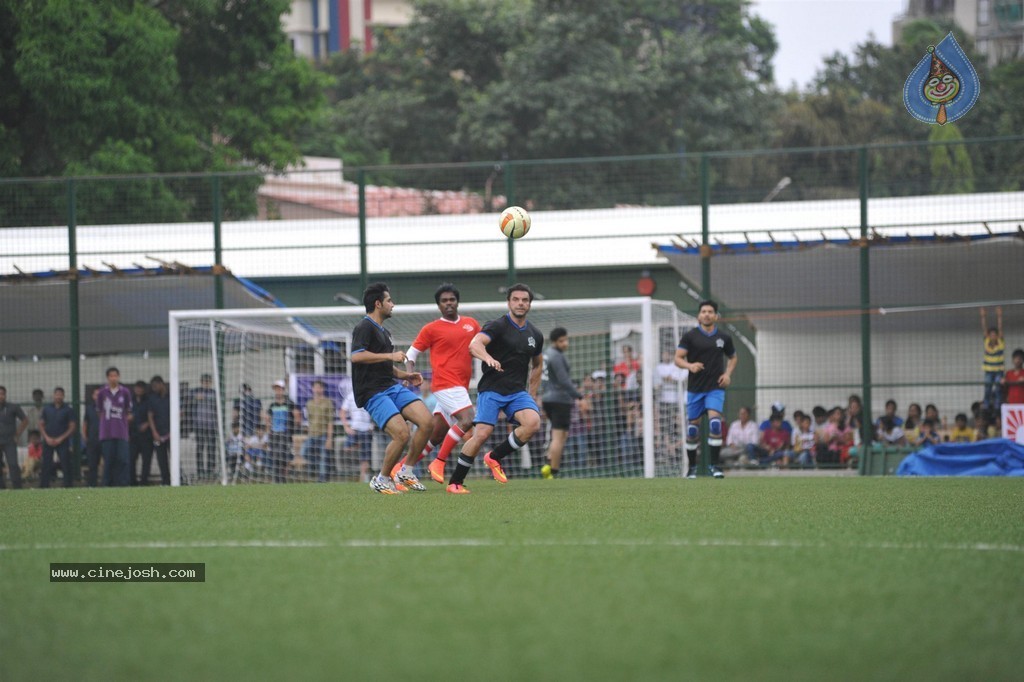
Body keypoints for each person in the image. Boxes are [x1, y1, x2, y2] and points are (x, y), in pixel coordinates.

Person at [446, 283, 545, 494]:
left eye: (525, 300)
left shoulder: (535, 335)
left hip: (517, 392)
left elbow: (537, 364)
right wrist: (488, 358)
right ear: (509, 302)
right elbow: (474, 345)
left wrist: (532, 394)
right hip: (492, 389)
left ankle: (494, 457)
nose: (520, 303)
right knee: (481, 434)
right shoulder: (497, 326)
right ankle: (455, 482)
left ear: (529, 304)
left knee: (533, 423)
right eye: (516, 299)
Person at [351, 282, 433, 495]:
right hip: (372, 392)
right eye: (389, 300)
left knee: (426, 422)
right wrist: (390, 356)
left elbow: (385, 366)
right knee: (402, 434)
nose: (393, 304)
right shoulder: (364, 327)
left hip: (390, 386)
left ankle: (406, 471)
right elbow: (356, 356)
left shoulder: (384, 332)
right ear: (378, 304)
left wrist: (406, 375)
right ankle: (381, 479)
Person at [399, 282, 481, 484]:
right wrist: (409, 374)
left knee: (435, 436)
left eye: (452, 299)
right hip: (445, 384)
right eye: (444, 301)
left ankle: (399, 468)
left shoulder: (471, 324)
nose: (449, 303)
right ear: (439, 305)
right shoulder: (431, 329)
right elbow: (411, 354)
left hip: (460, 386)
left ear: (457, 302)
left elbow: (484, 345)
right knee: (467, 419)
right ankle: (439, 462)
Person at [674, 301, 737, 479]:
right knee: (692, 430)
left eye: (710, 312)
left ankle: (714, 466)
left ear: (716, 316)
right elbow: (677, 359)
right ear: (699, 316)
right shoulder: (690, 336)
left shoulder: (724, 337)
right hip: (695, 389)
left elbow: (733, 358)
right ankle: (692, 467)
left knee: (715, 423)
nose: (707, 314)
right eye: (704, 311)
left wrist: (728, 374)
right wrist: (690, 365)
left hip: (715, 388)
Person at [541, 327, 589, 479]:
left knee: (561, 435)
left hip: (548, 398)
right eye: (562, 341)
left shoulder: (546, 354)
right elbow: (564, 381)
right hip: (559, 400)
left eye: (566, 340)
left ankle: (550, 462)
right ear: (555, 342)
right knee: (558, 436)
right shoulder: (556, 356)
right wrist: (580, 397)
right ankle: (552, 471)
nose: (565, 343)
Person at [97, 367, 133, 487]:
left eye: (115, 376)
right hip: (106, 433)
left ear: (119, 376)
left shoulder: (125, 392)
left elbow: (128, 411)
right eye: (111, 376)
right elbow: (99, 411)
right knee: (108, 461)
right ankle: (107, 485)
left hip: (121, 432)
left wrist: (123, 420)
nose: (113, 378)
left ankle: (123, 484)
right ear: (107, 378)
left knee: (123, 459)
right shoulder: (102, 393)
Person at [39, 386, 77, 488]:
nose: (58, 397)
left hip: (62, 441)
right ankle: (44, 486)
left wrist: (61, 438)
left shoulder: (68, 410)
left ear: (63, 396)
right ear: (53, 395)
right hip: (48, 440)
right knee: (46, 464)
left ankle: (68, 486)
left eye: (60, 395)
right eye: (56, 394)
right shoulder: (47, 409)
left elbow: (72, 426)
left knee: (65, 463)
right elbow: (41, 424)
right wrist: (46, 437)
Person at [265, 380, 302, 484]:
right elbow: (268, 419)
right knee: (275, 457)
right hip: (274, 435)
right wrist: (268, 431)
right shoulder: (272, 405)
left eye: (279, 389)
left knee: (284, 457)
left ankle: (283, 477)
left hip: (285, 434)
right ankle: (278, 480)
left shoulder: (289, 403)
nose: (277, 391)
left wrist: (293, 429)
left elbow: (297, 417)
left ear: (283, 390)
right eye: (276, 389)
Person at [302, 379, 335, 482]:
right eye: (315, 387)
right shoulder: (309, 403)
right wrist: (307, 433)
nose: (317, 389)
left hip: (323, 434)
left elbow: (330, 421)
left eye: (319, 387)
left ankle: (322, 478)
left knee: (323, 457)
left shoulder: (328, 402)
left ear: (323, 389)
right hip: (312, 434)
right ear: (312, 389)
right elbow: (308, 420)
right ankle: (314, 467)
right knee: (303, 452)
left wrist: (329, 439)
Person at [339, 388, 374, 483]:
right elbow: (342, 412)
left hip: (367, 429)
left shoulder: (369, 395)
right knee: (346, 449)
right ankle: (358, 446)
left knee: (365, 455)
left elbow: (374, 411)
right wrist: (346, 427)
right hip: (354, 429)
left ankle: (363, 477)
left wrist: (372, 425)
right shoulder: (350, 396)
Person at [0, 385, 29, 490]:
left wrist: (17, 434)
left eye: (2, 394)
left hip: (9, 441)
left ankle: (17, 488)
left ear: (5, 395)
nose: (0, 396)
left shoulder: (13, 407)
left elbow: (25, 420)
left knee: (13, 464)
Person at [190, 373, 219, 477]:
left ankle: (211, 471)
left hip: (211, 425)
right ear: (201, 382)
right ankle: (200, 471)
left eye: (208, 382)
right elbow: (189, 396)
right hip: (199, 425)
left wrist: (204, 397)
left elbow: (215, 401)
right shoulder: (195, 391)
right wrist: (196, 397)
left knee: (211, 449)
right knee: (200, 448)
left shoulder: (214, 393)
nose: (206, 384)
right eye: (205, 382)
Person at [146, 376, 171, 485]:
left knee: (174, 457)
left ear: (161, 384)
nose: (154, 388)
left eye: (155, 386)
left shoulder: (171, 396)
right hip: (158, 435)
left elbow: (180, 414)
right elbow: (150, 416)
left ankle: (179, 479)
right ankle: (165, 481)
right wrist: (154, 432)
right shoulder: (152, 399)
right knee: (161, 459)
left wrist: (172, 432)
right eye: (153, 387)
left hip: (171, 435)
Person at [980, 307, 1004, 412]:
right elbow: (984, 328)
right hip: (989, 371)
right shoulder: (987, 342)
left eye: (995, 334)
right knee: (988, 388)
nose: (993, 336)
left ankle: (997, 404)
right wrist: (983, 316)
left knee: (998, 388)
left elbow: (1000, 328)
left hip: (998, 370)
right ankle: (986, 404)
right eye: (991, 334)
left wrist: (999, 316)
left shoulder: (1000, 342)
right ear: (989, 336)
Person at [129, 380, 152, 485]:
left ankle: (144, 482)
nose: (139, 390)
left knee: (146, 461)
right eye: (137, 388)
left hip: (146, 436)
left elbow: (154, 415)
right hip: (132, 435)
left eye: (141, 388)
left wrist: (147, 424)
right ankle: (132, 482)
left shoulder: (149, 401)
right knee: (131, 460)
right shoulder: (129, 401)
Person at [82, 387, 102, 487]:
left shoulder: (107, 407)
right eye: (96, 395)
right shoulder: (89, 408)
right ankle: (92, 484)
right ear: (93, 396)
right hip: (92, 440)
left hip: (105, 440)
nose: (98, 397)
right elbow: (85, 423)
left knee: (109, 464)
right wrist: (85, 437)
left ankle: (107, 484)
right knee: (92, 464)